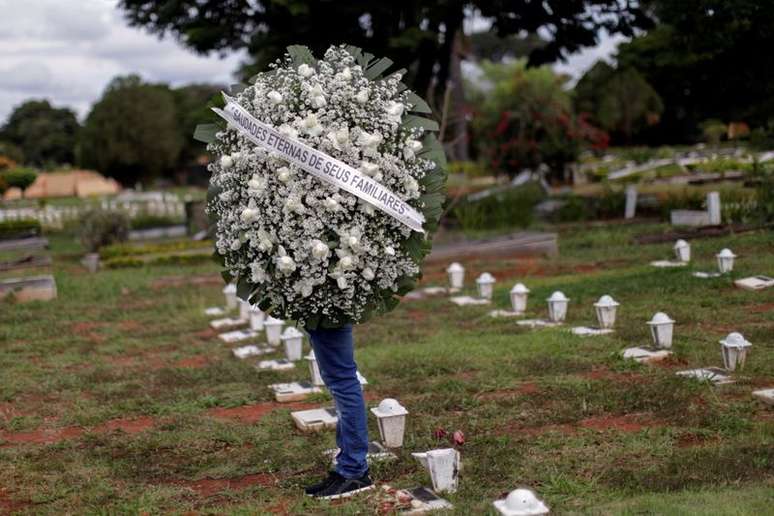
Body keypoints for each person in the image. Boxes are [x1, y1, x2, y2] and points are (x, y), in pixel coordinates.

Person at [303, 324, 374, 499]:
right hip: (325, 310)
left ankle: (354, 471)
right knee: (337, 380)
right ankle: (347, 467)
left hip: (330, 310)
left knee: (342, 380)